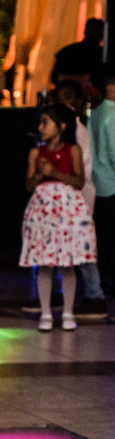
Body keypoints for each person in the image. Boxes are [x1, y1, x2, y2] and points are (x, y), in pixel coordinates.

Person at [20, 104, 95, 331]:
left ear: (61, 126)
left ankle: (68, 311)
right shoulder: (36, 153)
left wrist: (55, 173)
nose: (41, 127)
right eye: (40, 122)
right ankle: (45, 313)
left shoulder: (73, 150)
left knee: (68, 264)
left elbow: (79, 181)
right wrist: (41, 174)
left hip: (68, 210)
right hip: (44, 208)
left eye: (46, 122)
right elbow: (29, 185)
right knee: (45, 263)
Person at [55, 81, 107, 320]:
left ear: (77, 101)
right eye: (59, 96)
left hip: (77, 196)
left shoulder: (77, 131)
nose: (63, 101)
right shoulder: (66, 129)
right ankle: (58, 290)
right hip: (68, 195)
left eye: (68, 96)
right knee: (58, 242)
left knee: (82, 247)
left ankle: (95, 296)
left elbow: (81, 170)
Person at [92, 68, 115, 318]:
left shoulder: (96, 113)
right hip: (113, 182)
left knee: (104, 236)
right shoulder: (112, 114)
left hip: (99, 182)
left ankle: (105, 279)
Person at [51, 19, 105, 88]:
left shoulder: (67, 51)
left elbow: (54, 77)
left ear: (85, 31)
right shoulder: (103, 55)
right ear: (102, 35)